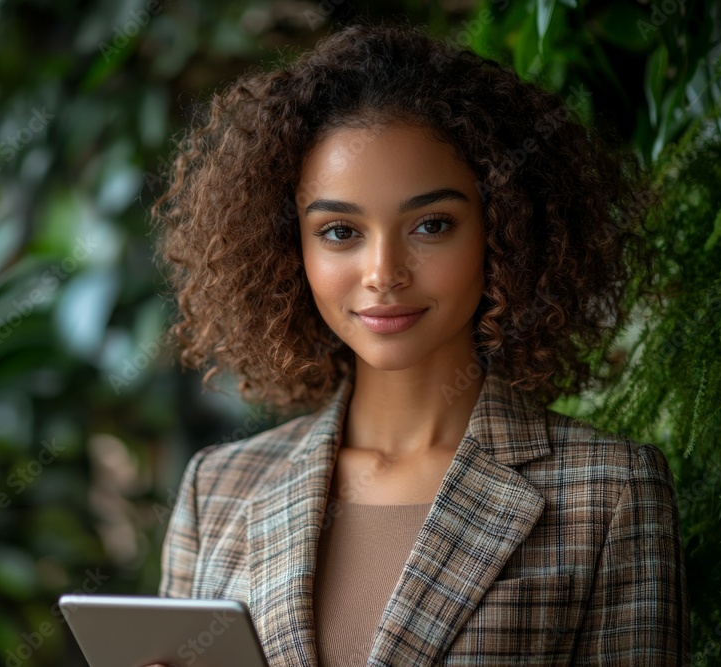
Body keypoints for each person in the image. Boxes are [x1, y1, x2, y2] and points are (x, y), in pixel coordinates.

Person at [147, 21, 689, 666]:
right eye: (340, 231)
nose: (383, 272)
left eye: (432, 225)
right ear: (288, 250)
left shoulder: (609, 493)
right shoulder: (219, 490)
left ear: (506, 231)